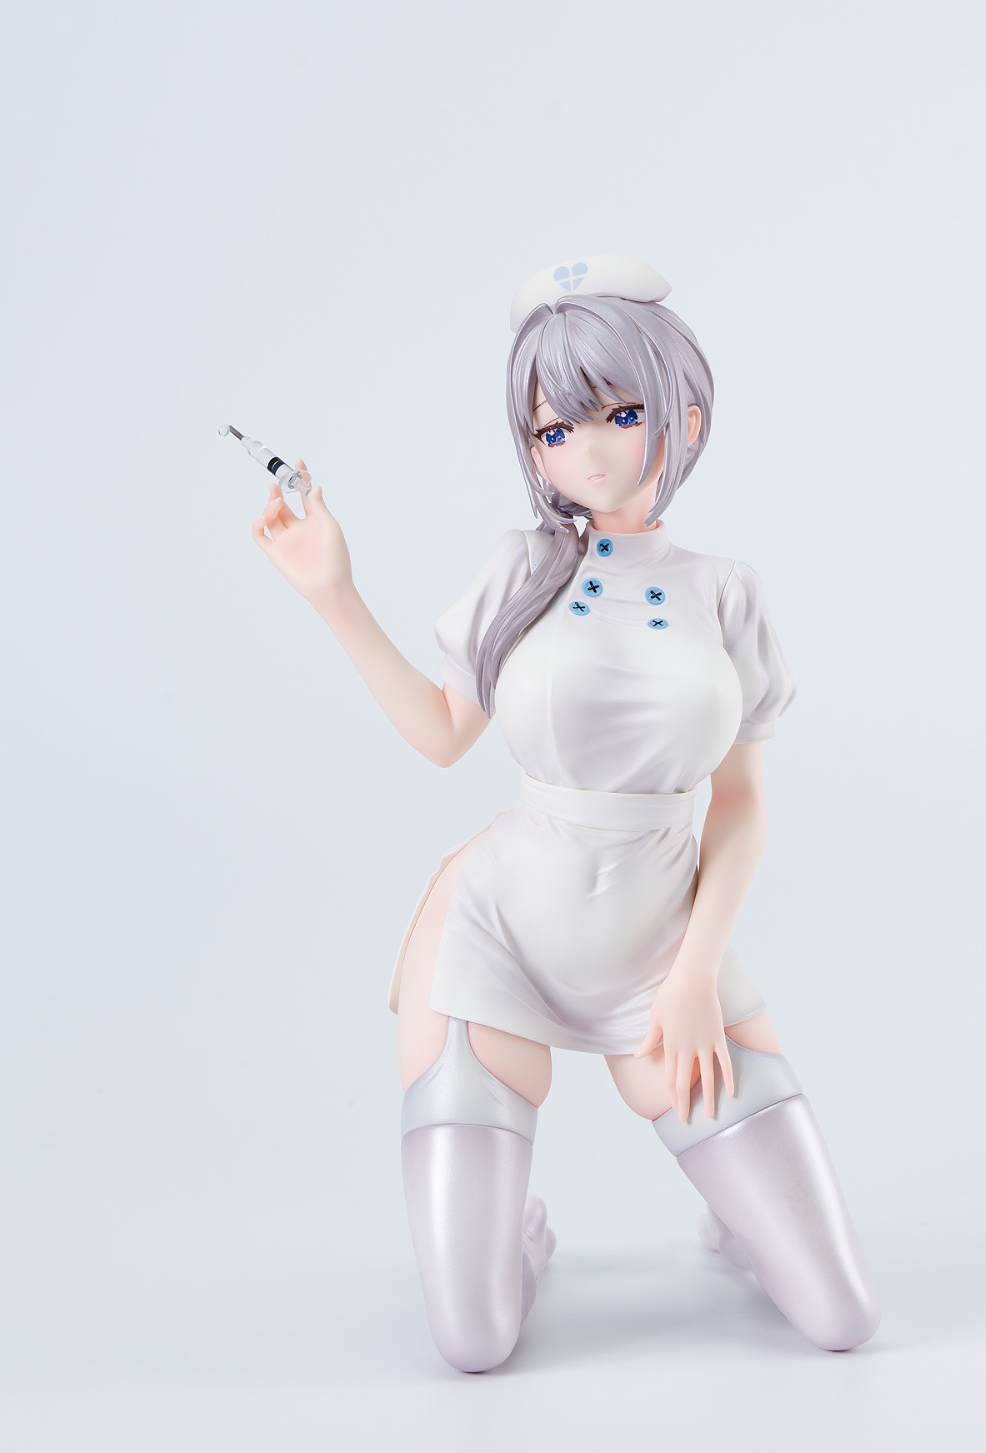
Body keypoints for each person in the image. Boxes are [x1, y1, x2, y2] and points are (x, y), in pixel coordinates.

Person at [251, 257, 881, 1373]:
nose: (587, 453)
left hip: (664, 951)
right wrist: (331, 593)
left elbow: (740, 806)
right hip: (496, 933)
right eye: (553, 430)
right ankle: (520, 1247)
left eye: (621, 416)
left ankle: (740, 1232)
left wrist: (694, 976)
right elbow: (442, 734)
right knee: (473, 1341)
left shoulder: (724, 589)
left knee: (842, 1318)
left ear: (684, 417)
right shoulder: (521, 568)